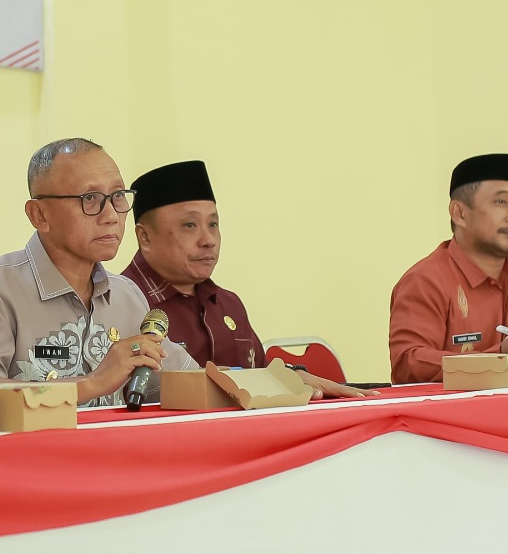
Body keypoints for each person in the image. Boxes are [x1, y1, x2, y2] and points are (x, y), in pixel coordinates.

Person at [0, 138, 200, 406]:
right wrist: (93, 383)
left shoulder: (126, 295)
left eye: (118, 196)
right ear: (39, 215)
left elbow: (190, 382)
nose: (111, 216)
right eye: (90, 198)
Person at [120, 160, 367, 399]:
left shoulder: (228, 304)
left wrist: (292, 379)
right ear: (145, 237)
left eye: (213, 224)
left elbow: (262, 379)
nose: (209, 240)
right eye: (190, 225)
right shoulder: (119, 302)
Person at [388, 153, 508, 384]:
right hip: (457, 407)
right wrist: (500, 360)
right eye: (501, 202)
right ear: (460, 213)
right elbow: (409, 364)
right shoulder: (425, 280)